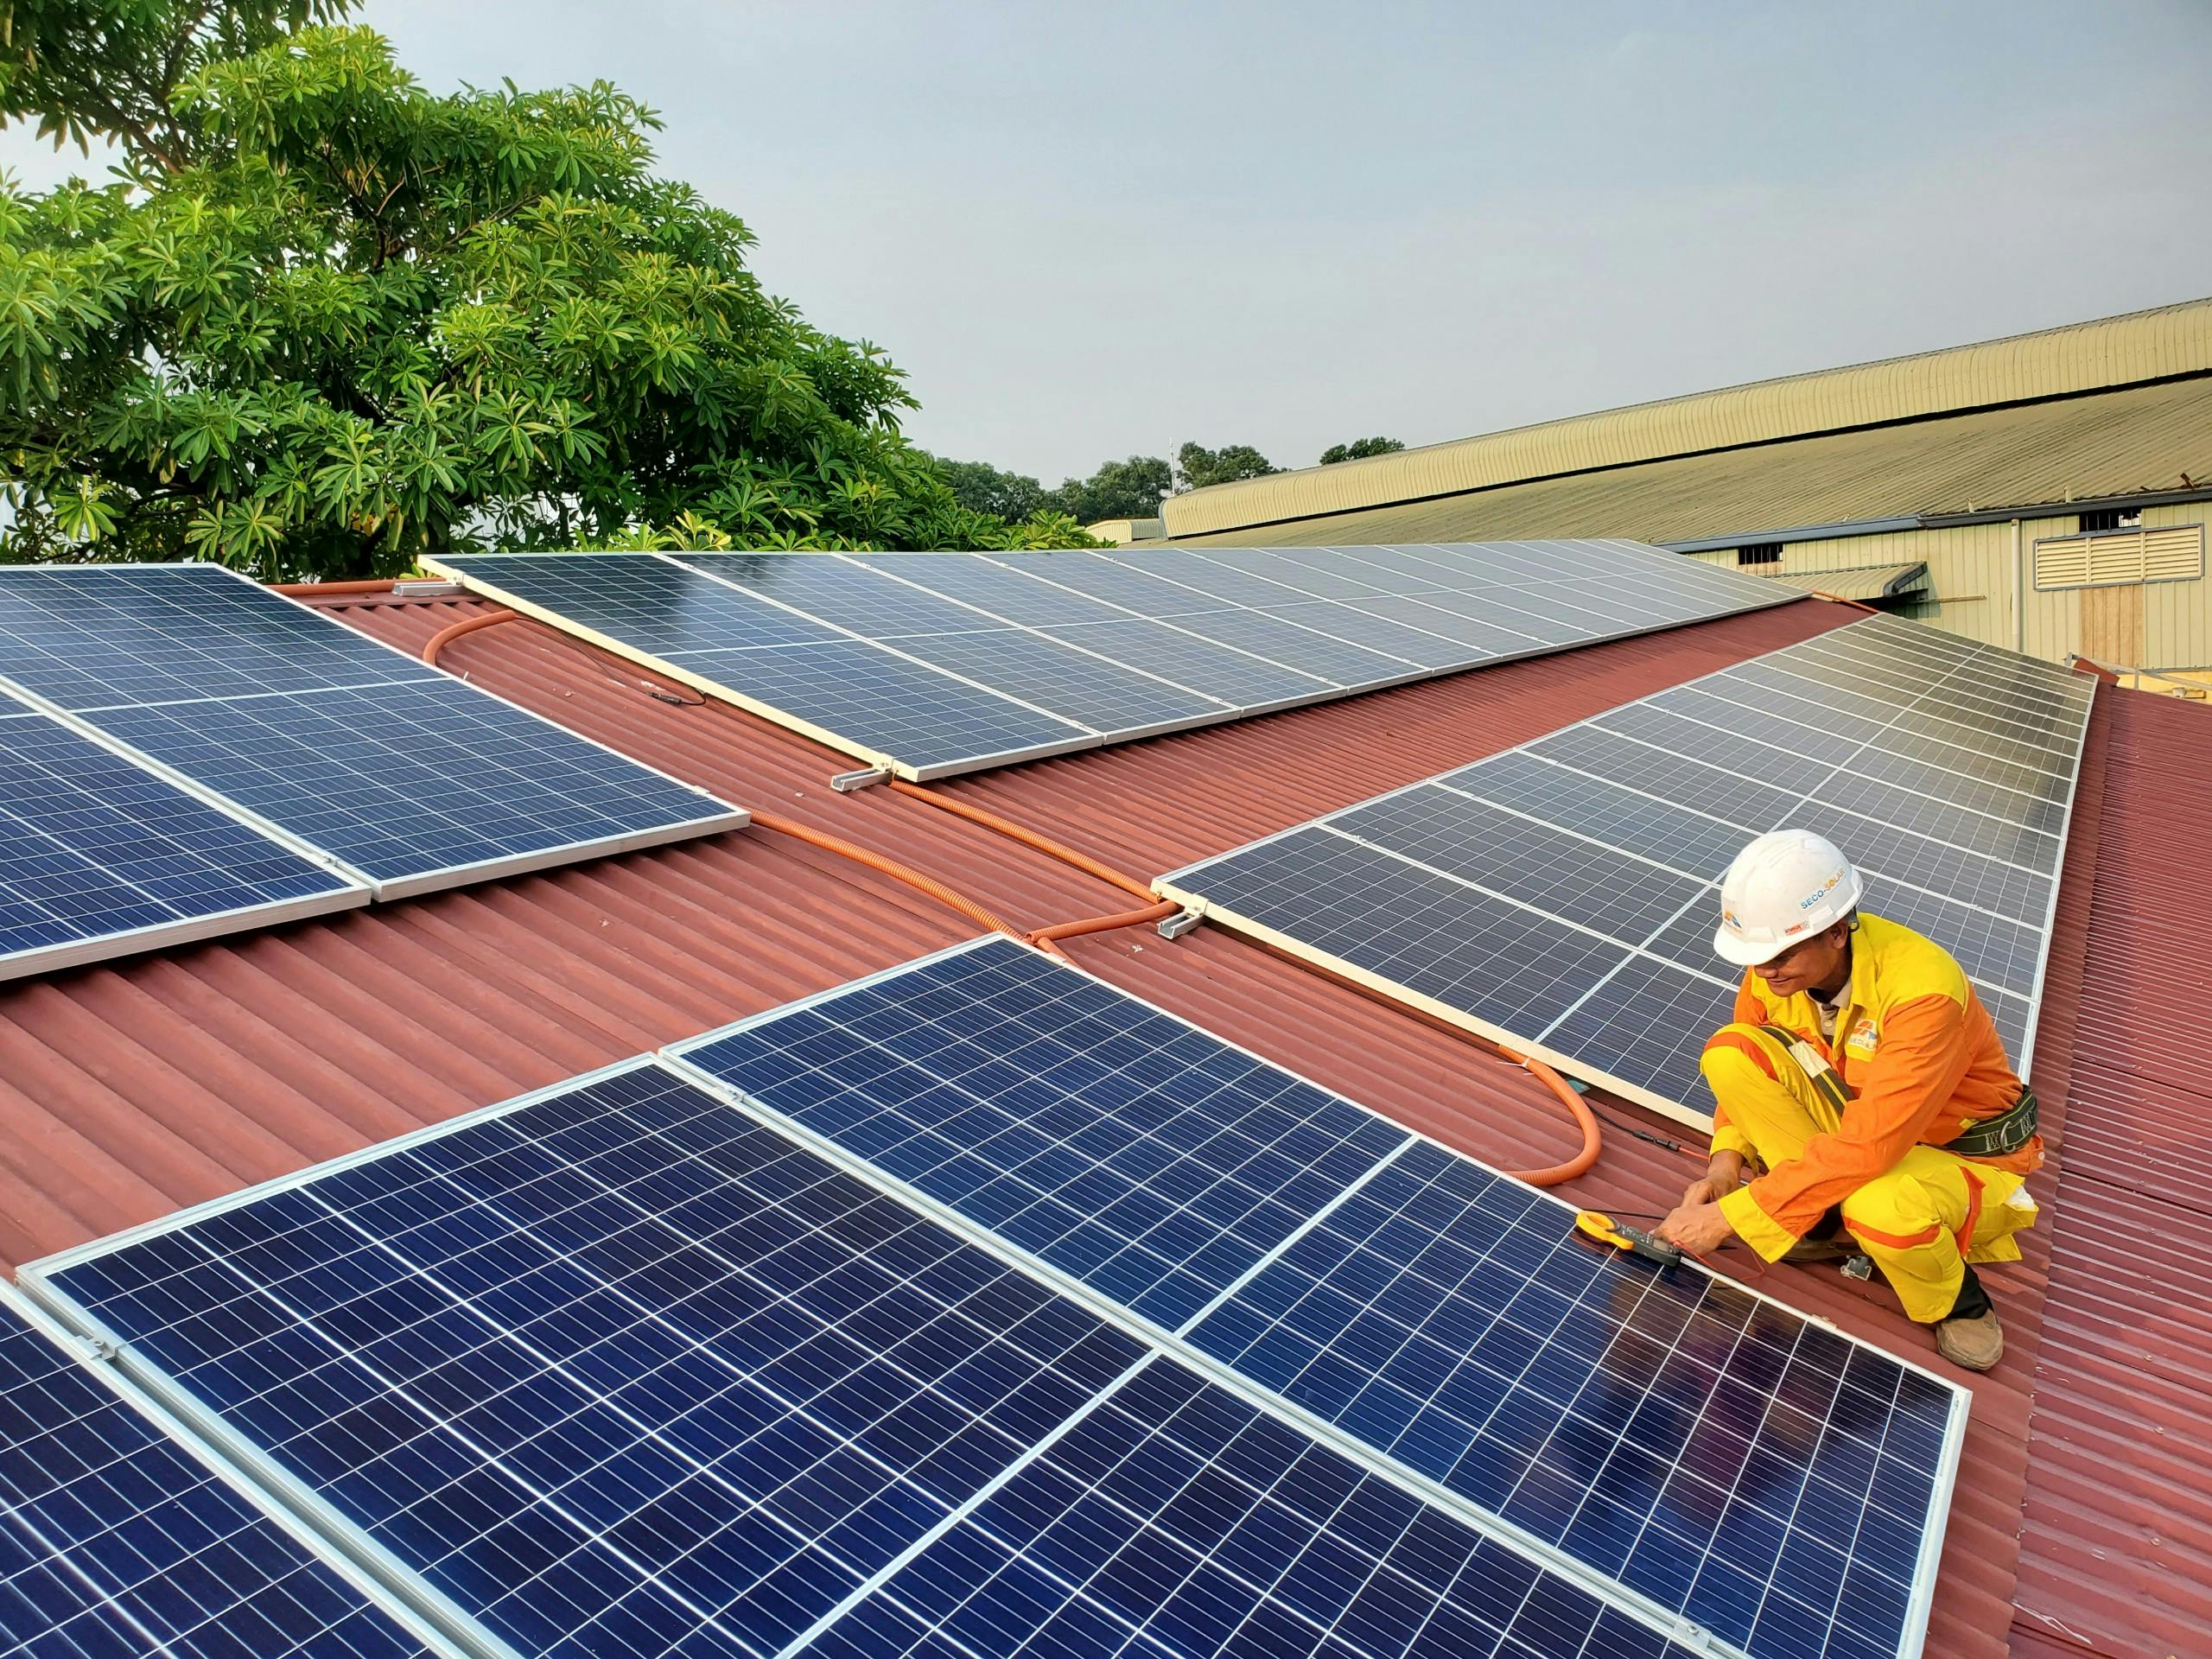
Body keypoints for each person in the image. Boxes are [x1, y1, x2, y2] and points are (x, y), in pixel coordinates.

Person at [1653, 830, 2044, 1371]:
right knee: (1730, 1053)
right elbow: (1750, 1079)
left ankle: (1958, 1301)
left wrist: (1732, 1218)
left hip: (1958, 1156)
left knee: (1879, 1204)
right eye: (1756, 954)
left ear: (1836, 933)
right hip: (1863, 1133)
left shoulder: (1923, 993)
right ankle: (1815, 1220)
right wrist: (1725, 1167)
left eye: (1780, 953)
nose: (1764, 969)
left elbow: (1873, 1143)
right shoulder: (1774, 974)